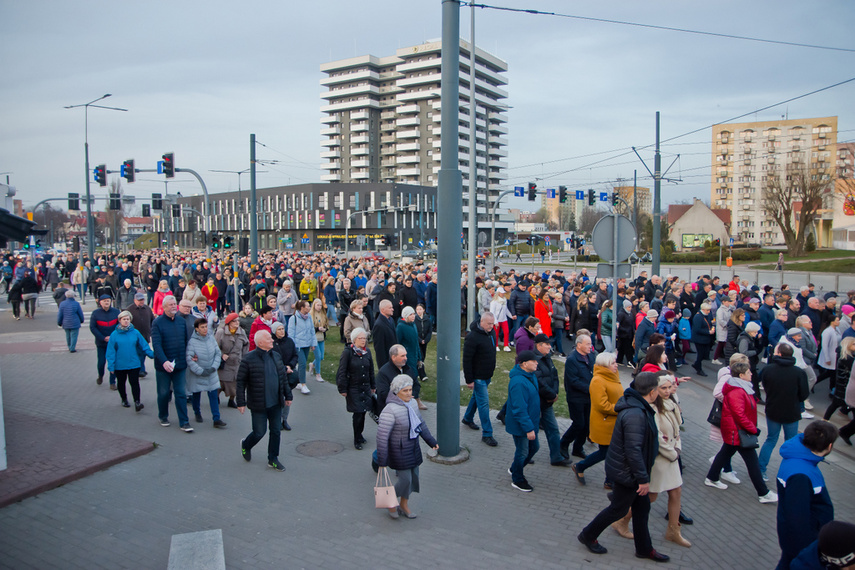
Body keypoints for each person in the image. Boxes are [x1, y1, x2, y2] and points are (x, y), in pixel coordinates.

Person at [577, 372, 670, 563]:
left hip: (629, 471)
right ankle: (588, 534)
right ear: (652, 392)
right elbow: (633, 451)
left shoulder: (638, 407)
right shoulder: (636, 413)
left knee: (642, 509)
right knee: (618, 510)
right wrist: (643, 479)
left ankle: (644, 549)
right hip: (628, 474)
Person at [705, 361, 778, 503]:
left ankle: (712, 477)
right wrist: (753, 429)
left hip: (736, 432)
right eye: (749, 372)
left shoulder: (741, 388)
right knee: (752, 463)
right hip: (738, 432)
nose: (751, 374)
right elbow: (739, 415)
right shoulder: (737, 391)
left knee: (725, 453)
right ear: (741, 375)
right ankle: (763, 493)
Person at [776, 420, 838, 570]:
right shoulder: (802, 475)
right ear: (829, 446)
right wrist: (809, 547)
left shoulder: (798, 460)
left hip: (794, 537)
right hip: (804, 541)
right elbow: (797, 518)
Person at [376, 374, 438, 518]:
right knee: (406, 480)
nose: (409, 393)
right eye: (405, 391)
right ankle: (389, 501)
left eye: (410, 390)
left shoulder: (413, 404)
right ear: (396, 392)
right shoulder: (389, 410)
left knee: (414, 478)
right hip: (399, 450)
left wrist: (431, 441)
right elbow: (382, 437)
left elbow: (420, 424)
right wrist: (382, 460)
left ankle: (403, 505)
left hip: (413, 447)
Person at [236, 330, 293, 472]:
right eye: (269, 339)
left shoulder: (276, 356)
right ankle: (246, 445)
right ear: (260, 343)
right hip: (258, 404)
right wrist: (241, 402)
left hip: (275, 403)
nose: (272, 340)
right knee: (259, 432)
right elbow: (240, 382)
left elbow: (283, 378)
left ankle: (273, 458)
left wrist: (288, 395)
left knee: (276, 431)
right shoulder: (248, 359)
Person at [648, 372, 691, 548]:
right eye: (663, 388)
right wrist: (673, 453)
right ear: (655, 389)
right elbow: (657, 437)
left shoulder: (671, 403)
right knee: (650, 496)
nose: (667, 391)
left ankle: (673, 530)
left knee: (676, 492)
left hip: (672, 454)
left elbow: (676, 431)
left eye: (669, 387)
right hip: (660, 459)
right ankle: (622, 519)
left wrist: (677, 447)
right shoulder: (653, 408)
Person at [757, 343, 810, 479]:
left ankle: (761, 469)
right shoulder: (799, 372)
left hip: (773, 410)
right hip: (791, 412)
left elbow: (764, 385)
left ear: (779, 354)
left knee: (771, 439)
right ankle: (789, 471)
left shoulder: (768, 370)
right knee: (791, 443)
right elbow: (804, 395)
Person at [572, 352, 622, 490]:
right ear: (605, 365)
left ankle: (609, 480)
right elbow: (602, 405)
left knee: (609, 452)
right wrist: (620, 408)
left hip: (613, 423)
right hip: (604, 423)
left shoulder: (613, 376)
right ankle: (581, 466)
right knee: (606, 452)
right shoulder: (598, 381)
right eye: (613, 363)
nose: (616, 365)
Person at [151, 296, 194, 432]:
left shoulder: (181, 322)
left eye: (175, 304)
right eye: (170, 304)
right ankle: (163, 416)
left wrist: (191, 355)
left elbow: (187, 341)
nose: (174, 306)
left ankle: (184, 422)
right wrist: (164, 361)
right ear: (164, 307)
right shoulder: (157, 323)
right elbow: (156, 345)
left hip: (180, 364)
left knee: (181, 393)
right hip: (163, 366)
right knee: (163, 393)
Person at [531, 333, 571, 467]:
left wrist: (554, 393)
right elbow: (539, 381)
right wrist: (551, 395)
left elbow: (554, 376)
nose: (550, 346)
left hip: (547, 402)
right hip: (537, 402)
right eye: (547, 344)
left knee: (553, 429)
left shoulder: (547, 357)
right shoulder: (534, 359)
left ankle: (556, 457)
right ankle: (526, 455)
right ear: (539, 345)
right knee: (532, 430)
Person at [504, 350, 542, 492]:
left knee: (534, 448)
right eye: (534, 361)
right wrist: (528, 429)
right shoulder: (518, 382)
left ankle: (514, 468)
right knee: (522, 452)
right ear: (525, 364)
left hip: (530, 423)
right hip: (522, 426)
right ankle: (518, 479)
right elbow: (519, 408)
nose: (537, 363)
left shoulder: (529, 376)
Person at [105, 310, 154, 411]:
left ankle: (137, 401)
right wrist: (111, 365)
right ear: (120, 320)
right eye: (124, 319)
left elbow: (144, 345)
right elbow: (110, 351)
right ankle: (124, 399)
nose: (126, 321)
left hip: (134, 363)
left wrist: (152, 355)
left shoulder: (135, 333)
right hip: (120, 364)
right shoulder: (114, 335)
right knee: (121, 383)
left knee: (134, 383)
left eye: (128, 319)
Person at [461, 312, 498, 446]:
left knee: (476, 398)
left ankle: (467, 418)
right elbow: (467, 360)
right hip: (478, 377)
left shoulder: (491, 333)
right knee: (483, 404)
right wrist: (469, 379)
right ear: (481, 322)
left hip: (487, 375)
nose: (491, 326)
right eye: (489, 324)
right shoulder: (472, 337)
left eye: (492, 324)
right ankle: (487, 434)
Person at [336, 328, 376, 450]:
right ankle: (356, 438)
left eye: (365, 338)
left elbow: (371, 370)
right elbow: (342, 371)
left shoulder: (367, 352)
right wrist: (342, 388)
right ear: (354, 339)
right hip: (353, 388)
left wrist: (373, 386)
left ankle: (360, 434)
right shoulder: (348, 352)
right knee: (358, 413)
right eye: (361, 338)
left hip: (365, 387)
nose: (363, 341)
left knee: (363, 412)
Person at [186, 318, 226, 428]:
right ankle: (197, 412)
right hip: (198, 372)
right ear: (197, 329)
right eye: (202, 327)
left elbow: (218, 353)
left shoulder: (211, 339)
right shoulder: (192, 342)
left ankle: (216, 418)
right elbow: (189, 359)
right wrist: (200, 371)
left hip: (211, 371)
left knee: (213, 394)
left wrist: (214, 367)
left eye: (206, 326)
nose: (205, 329)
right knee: (196, 393)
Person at [560, 334, 595, 459]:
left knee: (587, 425)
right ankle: (563, 443)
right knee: (578, 423)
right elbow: (573, 380)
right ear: (579, 345)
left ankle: (578, 448)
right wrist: (591, 388)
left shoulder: (591, 357)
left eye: (590, 344)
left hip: (588, 397)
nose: (590, 347)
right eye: (587, 344)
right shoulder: (572, 359)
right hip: (576, 397)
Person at [216, 312, 249, 410]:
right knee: (221, 382)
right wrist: (222, 354)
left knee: (235, 382)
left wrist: (243, 357)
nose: (237, 323)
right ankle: (215, 397)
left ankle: (231, 400)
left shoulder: (241, 332)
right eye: (234, 321)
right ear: (229, 323)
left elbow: (246, 344)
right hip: (225, 363)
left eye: (238, 320)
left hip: (237, 362)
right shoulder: (221, 332)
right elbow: (215, 347)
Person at [270, 321, 298, 431]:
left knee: (288, 397)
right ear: (274, 331)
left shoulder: (289, 341)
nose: (282, 331)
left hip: (289, 373)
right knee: (278, 397)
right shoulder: (272, 343)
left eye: (282, 329)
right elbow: (272, 359)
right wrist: (284, 368)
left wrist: (290, 366)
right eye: (279, 329)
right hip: (277, 373)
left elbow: (295, 355)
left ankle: (284, 419)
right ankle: (277, 419)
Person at [396, 306, 425, 410]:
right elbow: (398, 343)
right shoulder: (401, 327)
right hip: (406, 358)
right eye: (411, 314)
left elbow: (416, 343)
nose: (414, 316)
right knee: (412, 380)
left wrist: (419, 357)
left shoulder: (413, 325)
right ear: (406, 316)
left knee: (414, 378)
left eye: (414, 314)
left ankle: (412, 399)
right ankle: (416, 400)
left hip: (414, 356)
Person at [90, 294, 120, 389]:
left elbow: (119, 325)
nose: (106, 302)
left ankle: (112, 382)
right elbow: (93, 327)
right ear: (100, 302)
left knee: (113, 362)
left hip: (113, 342)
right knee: (101, 362)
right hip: (101, 343)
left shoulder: (116, 312)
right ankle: (100, 375)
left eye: (108, 300)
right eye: (104, 301)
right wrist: (102, 337)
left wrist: (112, 337)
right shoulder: (96, 313)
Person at [288, 300, 318, 395]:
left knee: (303, 363)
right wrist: (292, 346)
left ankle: (299, 378)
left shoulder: (309, 317)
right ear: (302, 308)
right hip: (298, 345)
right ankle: (303, 383)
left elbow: (312, 331)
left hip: (307, 344)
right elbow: (291, 333)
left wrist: (313, 343)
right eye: (307, 306)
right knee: (302, 363)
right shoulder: (293, 318)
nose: (309, 308)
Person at [126, 293, 155, 377]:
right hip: (134, 337)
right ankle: (141, 369)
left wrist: (152, 331)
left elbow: (153, 321)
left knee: (143, 353)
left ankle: (140, 369)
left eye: (142, 300)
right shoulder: (129, 310)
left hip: (145, 335)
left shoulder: (147, 309)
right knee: (138, 353)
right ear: (135, 300)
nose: (141, 301)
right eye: (139, 300)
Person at [372, 299, 398, 370]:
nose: (392, 309)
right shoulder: (379, 325)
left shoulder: (391, 320)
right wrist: (383, 365)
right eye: (390, 308)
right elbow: (379, 348)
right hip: (386, 359)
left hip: (393, 355)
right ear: (383, 310)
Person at [691, 303, 715, 376]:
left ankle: (696, 365)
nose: (709, 311)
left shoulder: (704, 316)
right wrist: (708, 331)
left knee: (703, 354)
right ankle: (698, 368)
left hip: (704, 339)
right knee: (700, 354)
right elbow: (697, 329)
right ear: (703, 309)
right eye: (707, 310)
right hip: (699, 339)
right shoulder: (698, 317)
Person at [308, 298, 328, 382]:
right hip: (314, 338)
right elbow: (309, 327)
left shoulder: (323, 314)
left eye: (320, 305)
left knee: (322, 356)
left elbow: (327, 325)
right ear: (314, 305)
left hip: (321, 337)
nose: (319, 307)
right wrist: (317, 328)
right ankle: (318, 374)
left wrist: (325, 329)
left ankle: (312, 364)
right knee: (318, 356)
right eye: (317, 305)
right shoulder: (310, 315)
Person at [414, 304, 432, 382]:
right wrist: (420, 340)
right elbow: (414, 332)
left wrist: (426, 340)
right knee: (420, 356)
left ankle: (418, 370)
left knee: (423, 356)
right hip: (418, 341)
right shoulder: (414, 319)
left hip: (425, 341)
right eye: (417, 309)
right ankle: (422, 374)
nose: (418, 311)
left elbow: (429, 331)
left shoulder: (427, 320)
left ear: (423, 310)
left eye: (420, 309)